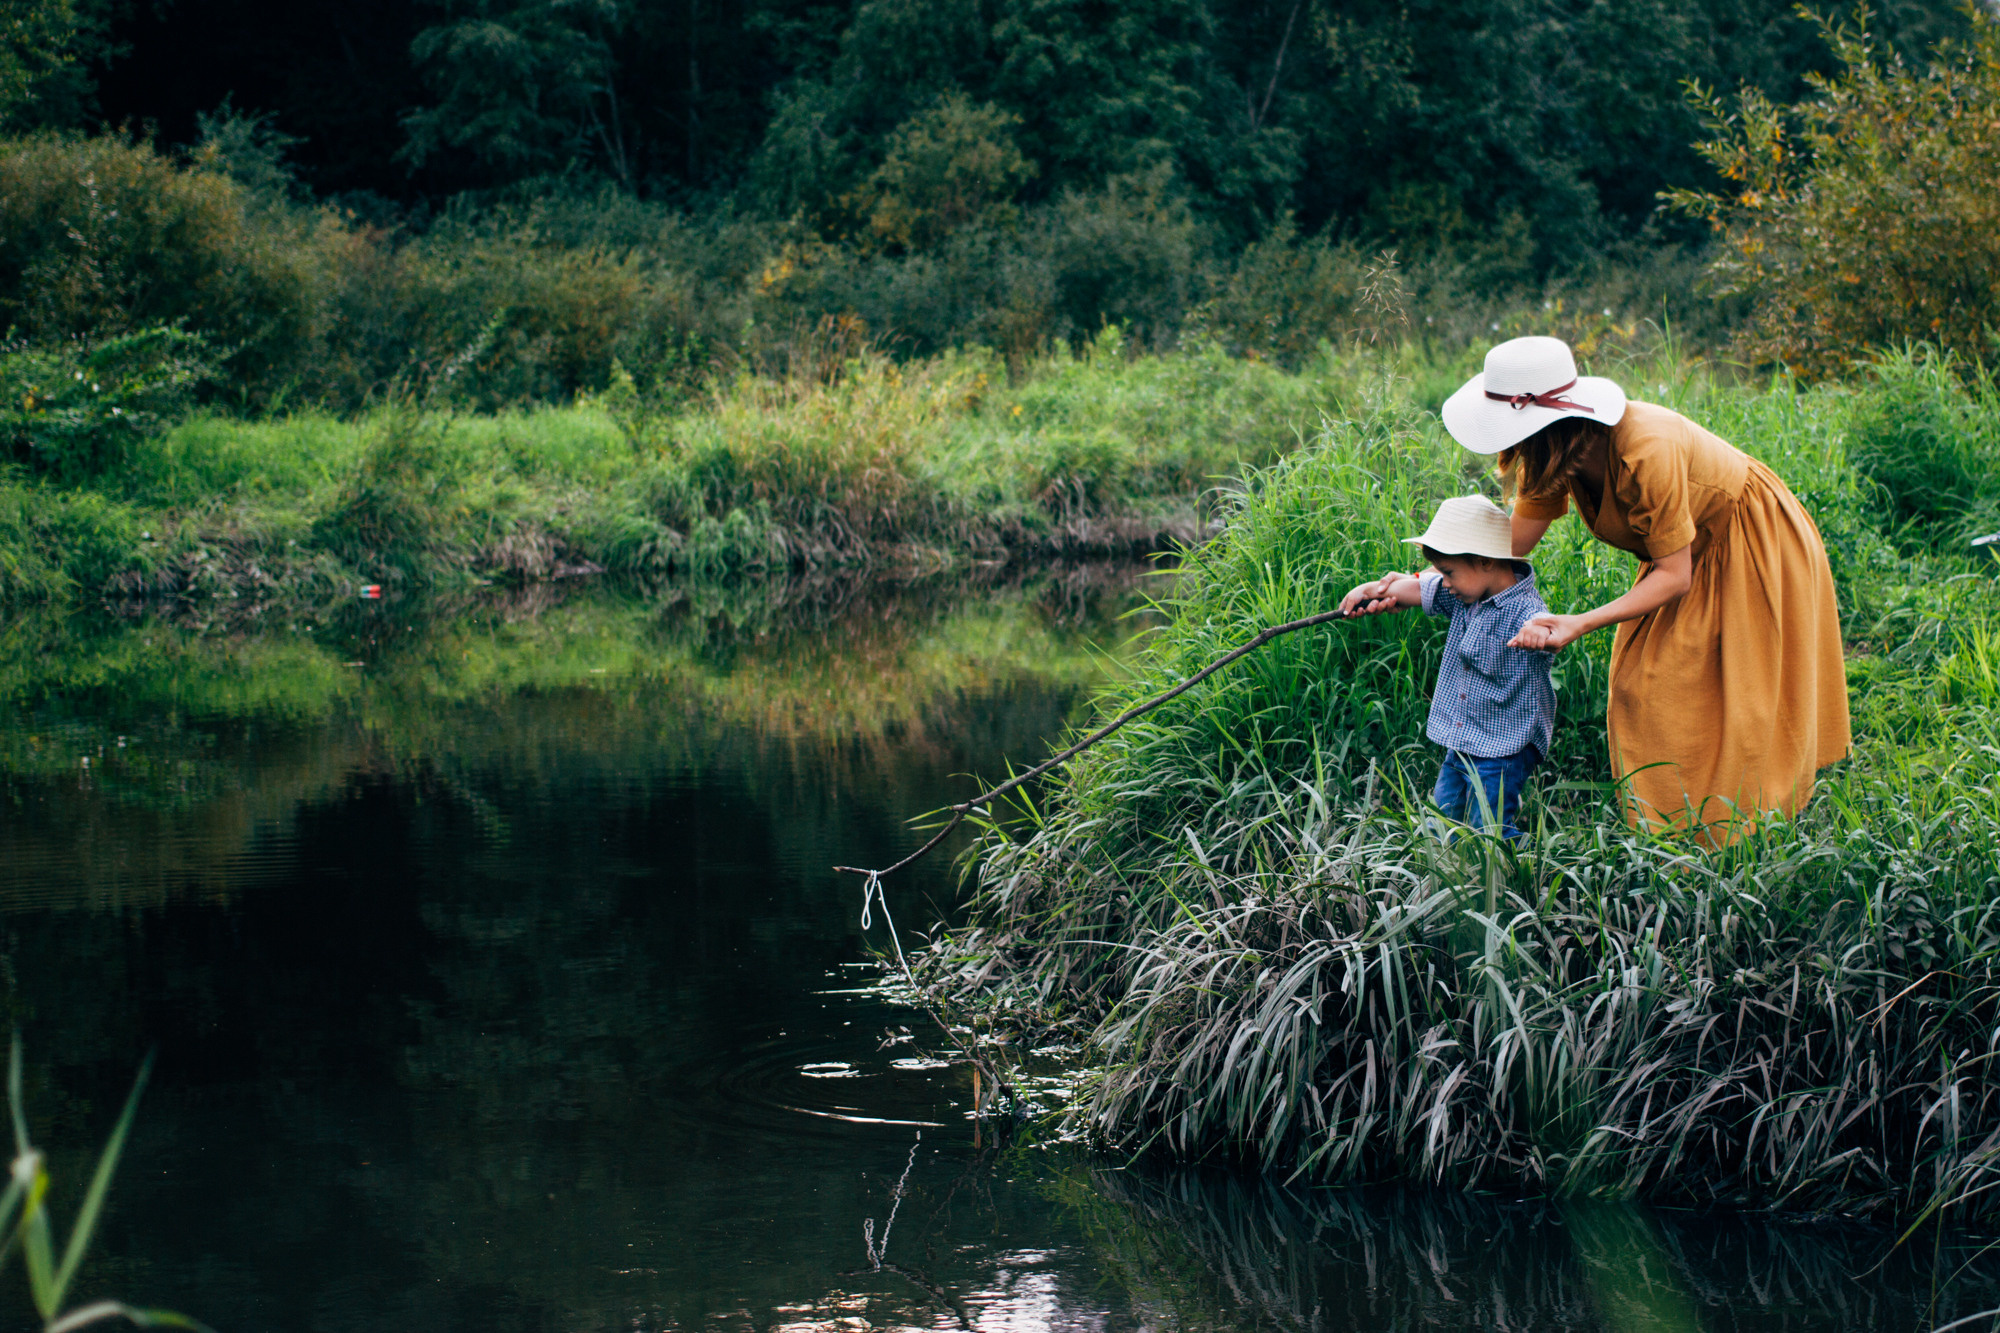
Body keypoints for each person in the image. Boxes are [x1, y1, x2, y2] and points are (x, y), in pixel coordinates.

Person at [1438, 335, 1849, 837]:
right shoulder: (1553, 455)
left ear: (1546, 423)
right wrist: (1416, 580)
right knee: (1648, 689)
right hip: (1683, 556)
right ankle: (1674, 827)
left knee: (1739, 690)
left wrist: (1580, 623)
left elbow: (1674, 577)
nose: (1508, 445)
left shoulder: (1644, 451)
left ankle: (1744, 824)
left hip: (1747, 538)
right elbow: (1512, 543)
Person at [1342, 494, 1556, 842]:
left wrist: (1538, 633)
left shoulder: (1526, 612)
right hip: (1464, 737)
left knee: (1490, 830)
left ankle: (1517, 872)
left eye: (1448, 572)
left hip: (1504, 747)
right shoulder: (1465, 592)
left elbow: (1549, 628)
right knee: (1441, 821)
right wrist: (1371, 590)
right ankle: (1448, 874)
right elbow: (1414, 589)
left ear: (1485, 561)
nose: (1442, 581)